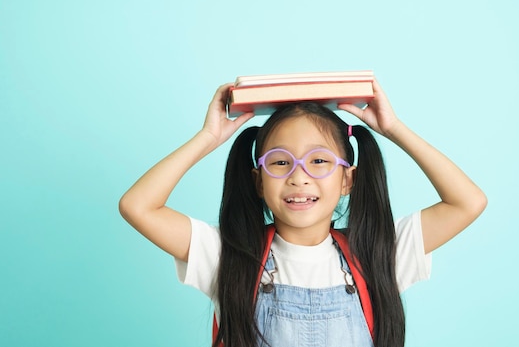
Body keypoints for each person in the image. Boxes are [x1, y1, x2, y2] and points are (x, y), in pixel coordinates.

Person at [119, 78, 487, 347]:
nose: (299, 176)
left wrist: (394, 129)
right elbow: (138, 206)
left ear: (347, 179)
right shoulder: (228, 255)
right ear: (258, 181)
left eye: (319, 161)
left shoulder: (378, 254)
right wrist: (208, 138)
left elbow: (467, 202)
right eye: (280, 162)